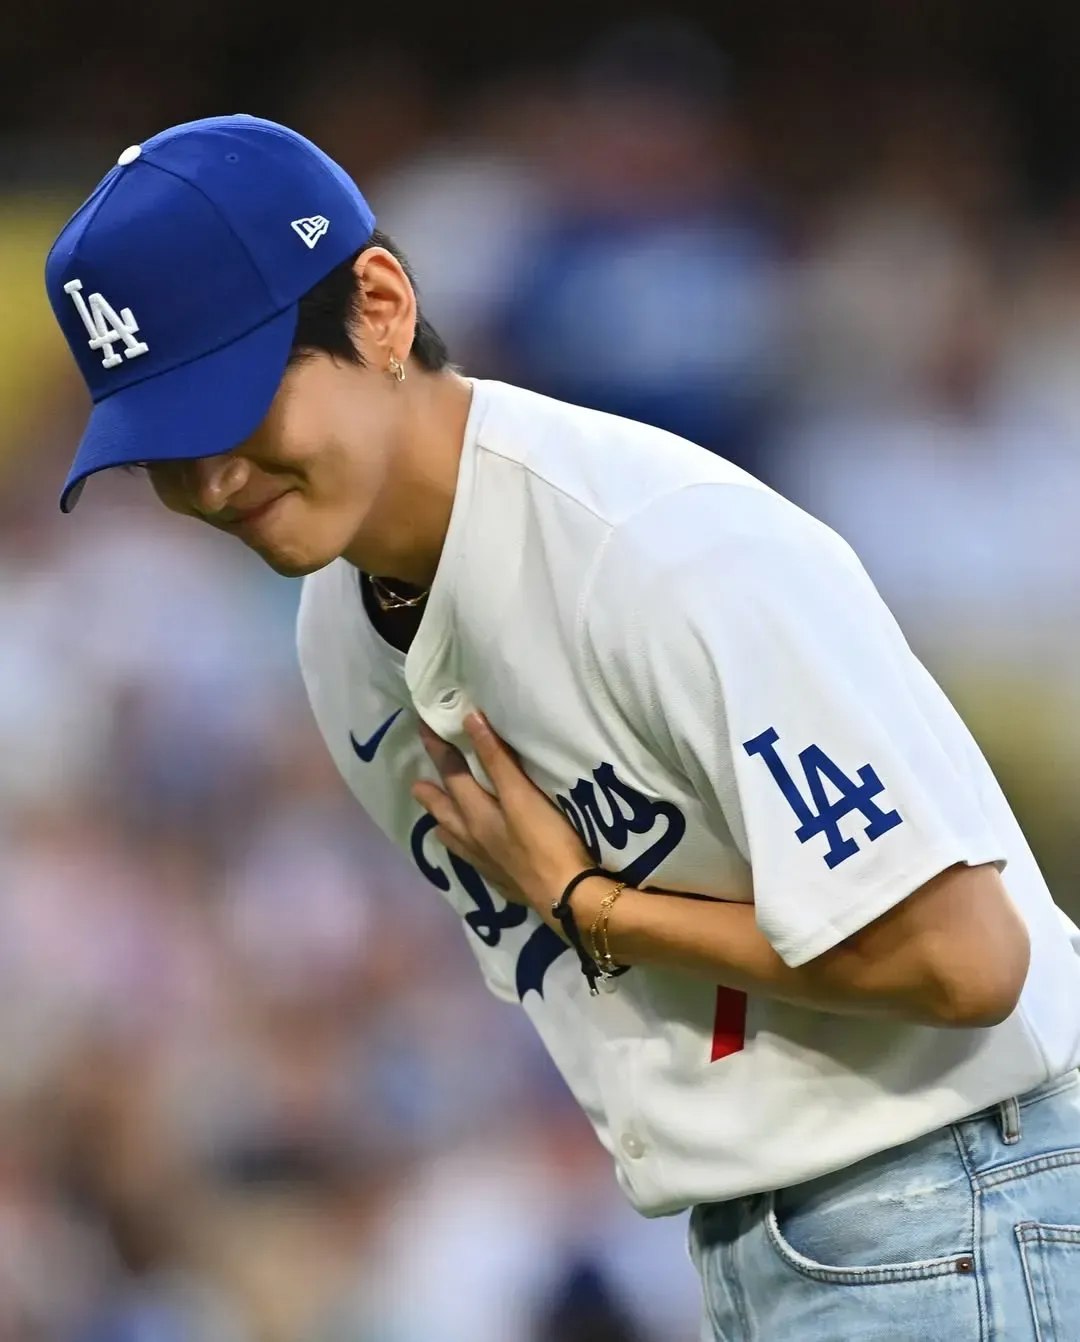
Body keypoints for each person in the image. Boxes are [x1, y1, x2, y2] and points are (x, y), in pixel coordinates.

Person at [45, 115, 1080, 1342]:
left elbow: (965, 959)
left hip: (963, 1187)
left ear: (378, 307)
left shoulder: (657, 550)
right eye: (166, 443)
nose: (211, 482)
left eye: (230, 403)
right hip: (772, 1233)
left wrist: (596, 907)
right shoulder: (337, 644)